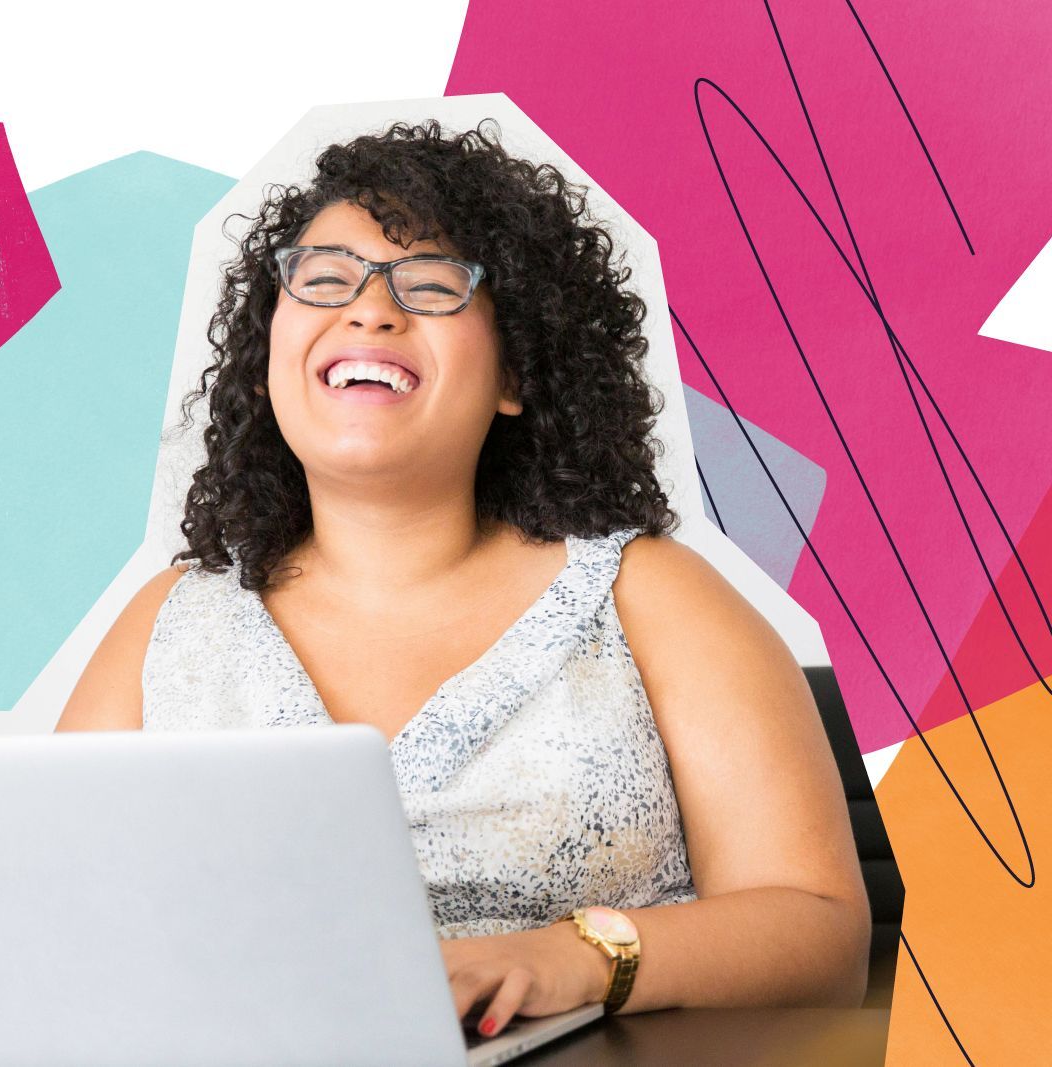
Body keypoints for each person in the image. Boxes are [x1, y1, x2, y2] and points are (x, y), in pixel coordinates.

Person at [56, 119, 869, 1036]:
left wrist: (570, 957)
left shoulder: (650, 595)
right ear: (263, 364)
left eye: (433, 285)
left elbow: (823, 935)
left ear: (515, 372)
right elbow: (41, 927)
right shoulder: (169, 625)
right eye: (323, 279)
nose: (370, 311)